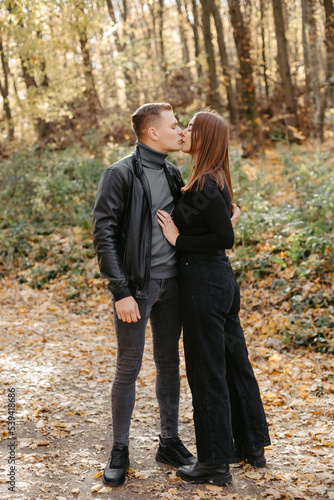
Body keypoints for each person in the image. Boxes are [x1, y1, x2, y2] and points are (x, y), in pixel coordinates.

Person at [93, 103, 241, 487]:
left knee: (169, 364)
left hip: (176, 284)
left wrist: (227, 216)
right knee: (128, 367)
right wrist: (120, 290)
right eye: (175, 126)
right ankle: (119, 450)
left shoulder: (175, 172)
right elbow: (104, 235)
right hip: (137, 288)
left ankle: (169, 441)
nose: (181, 132)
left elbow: (196, 217)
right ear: (153, 133)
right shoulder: (120, 173)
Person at [157, 109, 271, 486]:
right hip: (219, 282)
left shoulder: (205, 182)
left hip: (205, 283)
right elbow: (221, 224)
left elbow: (224, 238)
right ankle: (251, 445)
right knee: (234, 361)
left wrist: (178, 240)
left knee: (207, 371)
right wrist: (224, 219)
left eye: (191, 128)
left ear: (205, 138)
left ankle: (214, 462)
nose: (185, 132)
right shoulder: (212, 178)